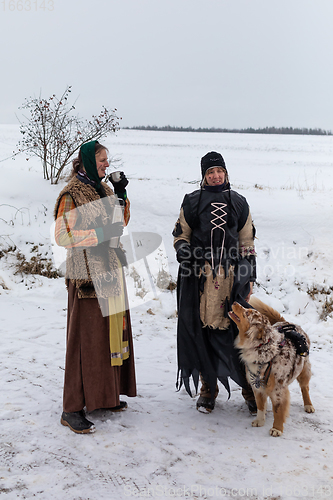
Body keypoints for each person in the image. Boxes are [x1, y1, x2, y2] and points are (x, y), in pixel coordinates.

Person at [54, 140, 136, 434]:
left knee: (110, 336)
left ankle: (105, 396)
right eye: (102, 160)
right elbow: (63, 235)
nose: (107, 165)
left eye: (107, 160)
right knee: (84, 341)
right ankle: (71, 408)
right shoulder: (72, 193)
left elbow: (121, 223)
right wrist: (101, 232)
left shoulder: (105, 190)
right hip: (86, 274)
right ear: (89, 160)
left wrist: (123, 195)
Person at [173, 151, 257, 414]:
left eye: (219, 171)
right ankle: (208, 388)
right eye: (210, 172)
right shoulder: (192, 201)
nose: (215, 176)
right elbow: (181, 235)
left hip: (231, 277)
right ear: (203, 176)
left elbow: (247, 242)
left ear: (226, 173)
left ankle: (249, 389)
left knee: (236, 332)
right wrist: (184, 251)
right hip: (198, 278)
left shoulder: (239, 203)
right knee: (201, 333)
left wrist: (249, 276)